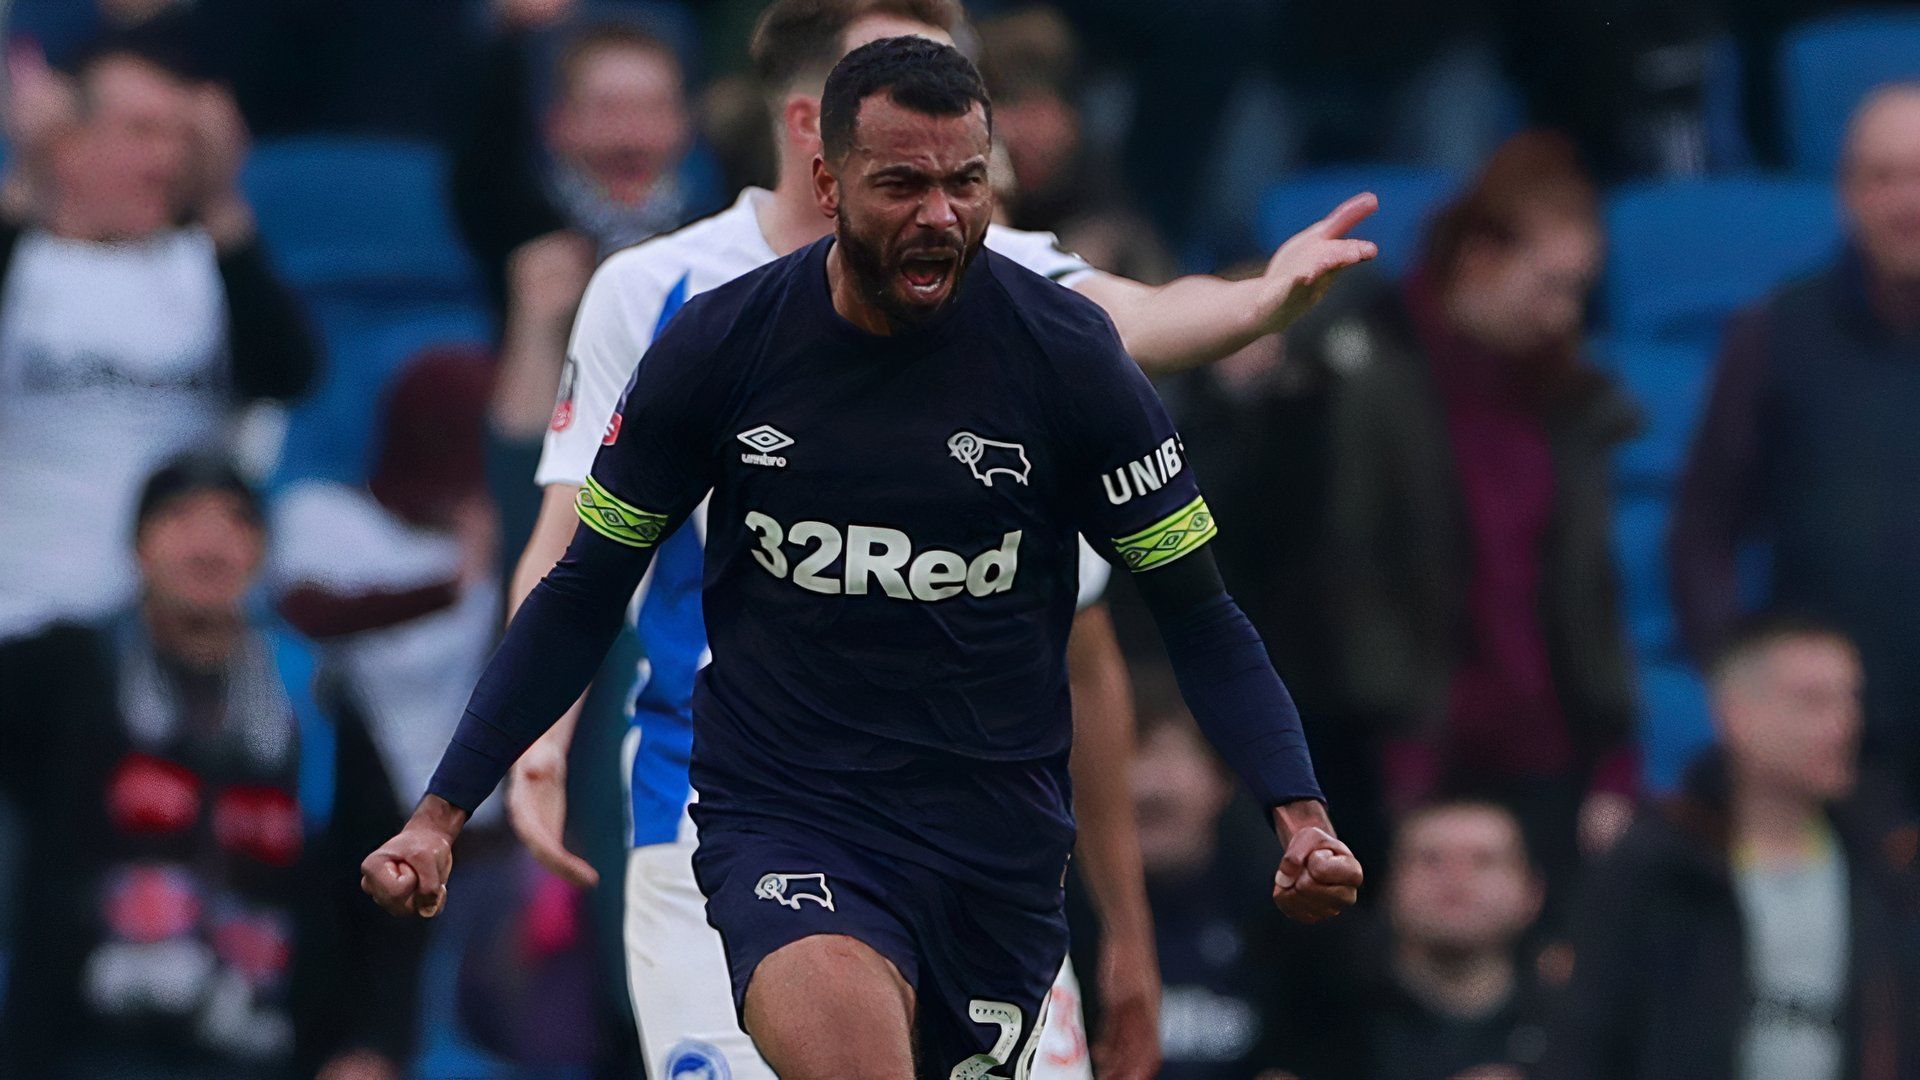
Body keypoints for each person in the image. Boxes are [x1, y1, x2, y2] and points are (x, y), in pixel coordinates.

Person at [364, 36, 1362, 1079]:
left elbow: (1199, 615)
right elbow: (581, 592)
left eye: (964, 183)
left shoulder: (1070, 362)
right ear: (828, 182)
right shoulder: (720, 348)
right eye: (903, 184)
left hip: (994, 846)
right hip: (790, 818)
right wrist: (441, 811)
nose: (940, 214)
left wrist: (1299, 813)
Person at [0, 454, 420, 1080]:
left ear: (261, 553)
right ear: (138, 547)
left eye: (234, 522)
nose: (209, 543)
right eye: (181, 518)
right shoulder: (63, 675)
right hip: (81, 1049)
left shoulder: (315, 697)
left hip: (266, 1051)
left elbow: (395, 871)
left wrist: (374, 1043)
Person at [1309, 131, 1639, 912]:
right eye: (1551, 286)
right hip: (1408, 747)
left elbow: (1589, 589)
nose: (1566, 315)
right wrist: (1394, 739)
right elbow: (1352, 567)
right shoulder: (1372, 374)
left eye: (1579, 293)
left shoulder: (1570, 403)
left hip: (1545, 749)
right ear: (1479, 260)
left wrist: (1613, 756)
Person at [0, 41, 317, 642]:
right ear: (67, 142)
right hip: (20, 611)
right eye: (142, 132)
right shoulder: (23, 260)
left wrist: (223, 199)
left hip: (167, 631)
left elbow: (290, 376)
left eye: (182, 138)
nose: (166, 157)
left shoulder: (208, 265)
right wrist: (25, 176)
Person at [1670, 84, 1920, 805]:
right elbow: (1703, 534)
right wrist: (1744, 683)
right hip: (1831, 748)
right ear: (1846, 194)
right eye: (1883, 177)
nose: (1907, 201)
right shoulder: (1775, 334)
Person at [1538, 615, 1920, 1080]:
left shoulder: (1885, 861)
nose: (1844, 723)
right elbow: (1587, 1035)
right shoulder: (1657, 863)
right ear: (1735, 713)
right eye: (1812, 701)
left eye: (1851, 698)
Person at [1128, 673, 1289, 1080]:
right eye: (1123, 757)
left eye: (1166, 756)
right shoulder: (1047, 921)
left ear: (1222, 780)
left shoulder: (1285, 913)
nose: (1143, 786)